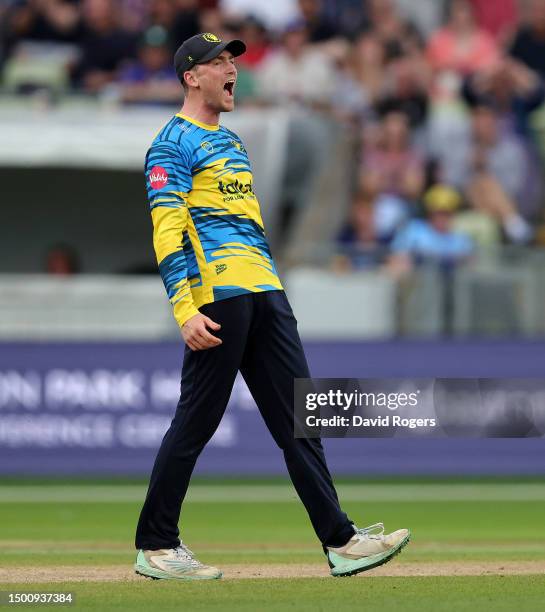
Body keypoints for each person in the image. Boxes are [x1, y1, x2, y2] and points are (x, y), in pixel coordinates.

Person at [134, 31, 410, 581]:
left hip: (265, 291)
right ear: (191, 76)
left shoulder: (233, 143)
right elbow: (167, 231)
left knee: (300, 423)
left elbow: (250, 227)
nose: (233, 69)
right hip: (218, 295)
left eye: (234, 59)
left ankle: (341, 541)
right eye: (219, 62)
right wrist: (184, 309)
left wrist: (273, 287)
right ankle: (156, 545)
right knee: (196, 422)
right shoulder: (171, 145)